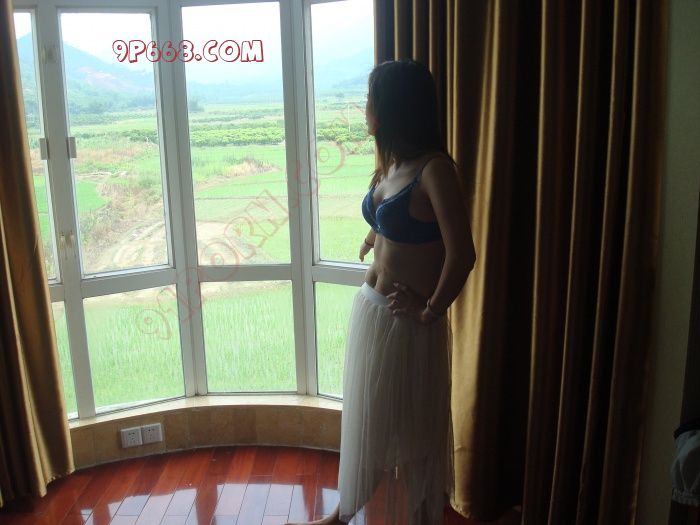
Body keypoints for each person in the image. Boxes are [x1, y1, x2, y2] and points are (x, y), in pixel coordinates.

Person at [287, 59, 476, 525]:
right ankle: (341, 516)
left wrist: (430, 311)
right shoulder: (393, 165)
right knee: (370, 424)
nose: (365, 108)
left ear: (393, 107)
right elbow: (396, 218)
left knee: (414, 435)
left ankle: (419, 519)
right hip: (373, 312)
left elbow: (462, 254)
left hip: (406, 324)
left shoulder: (435, 170)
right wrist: (375, 234)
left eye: (370, 99)